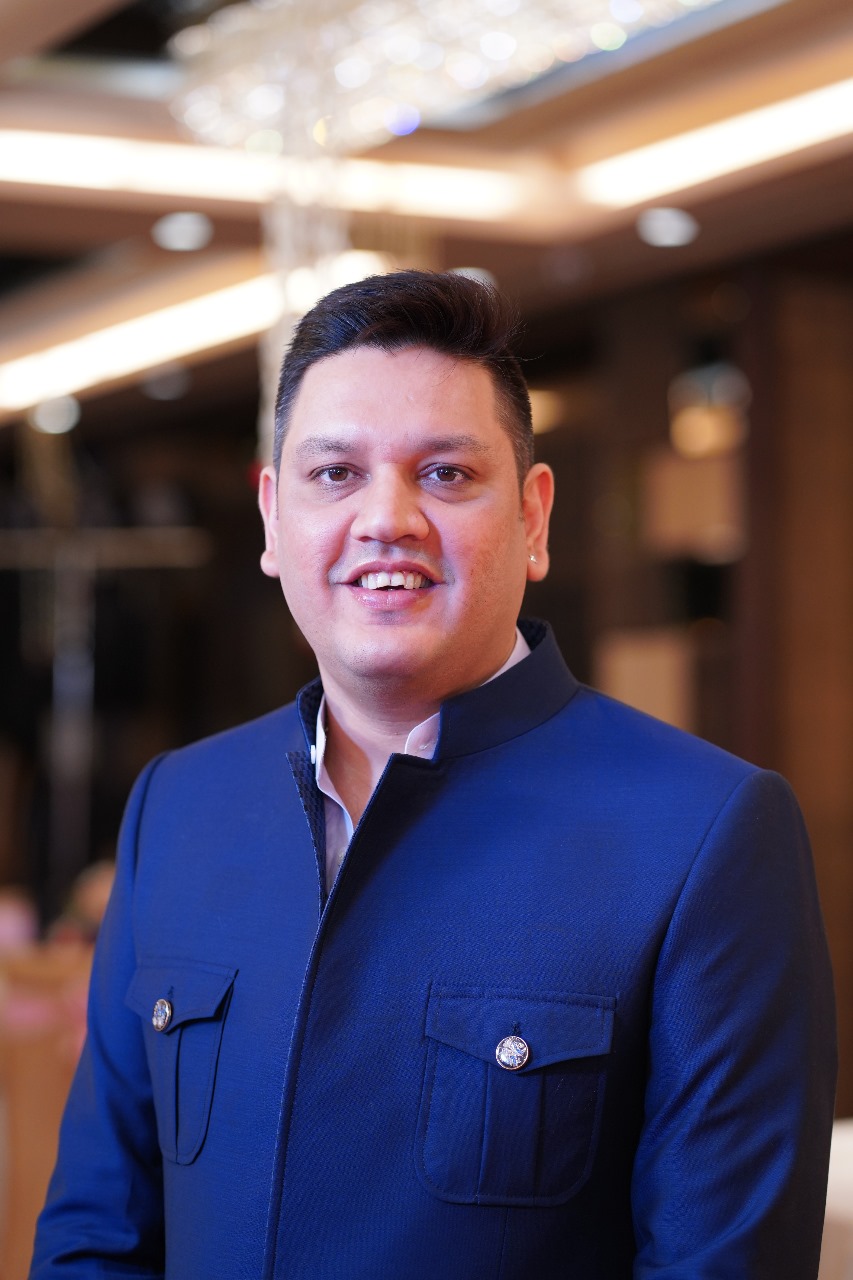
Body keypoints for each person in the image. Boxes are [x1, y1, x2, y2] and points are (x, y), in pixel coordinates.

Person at [31, 270, 836, 1279]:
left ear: (533, 518)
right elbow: (97, 1233)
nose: (387, 518)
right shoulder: (179, 805)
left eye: (446, 473)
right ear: (274, 519)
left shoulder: (702, 832)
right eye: (336, 473)